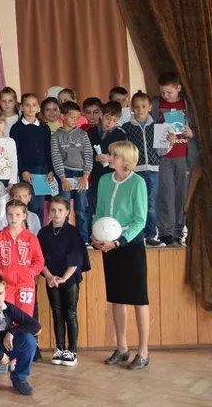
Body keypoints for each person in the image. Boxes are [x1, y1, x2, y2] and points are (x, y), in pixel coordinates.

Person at [93, 141, 151, 370]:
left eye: (114, 155)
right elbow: (99, 211)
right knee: (117, 298)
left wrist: (119, 241)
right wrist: (95, 235)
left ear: (125, 160)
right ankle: (122, 348)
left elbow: (140, 220)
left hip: (130, 246)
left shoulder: (138, 183)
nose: (109, 157)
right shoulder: (104, 180)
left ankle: (143, 352)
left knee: (139, 299)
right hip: (109, 245)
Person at [38, 196, 90, 366]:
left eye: (60, 210)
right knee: (57, 313)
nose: (56, 213)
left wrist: (64, 278)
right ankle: (59, 348)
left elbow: (76, 258)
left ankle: (72, 350)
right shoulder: (43, 233)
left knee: (70, 313)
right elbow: (39, 258)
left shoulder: (73, 232)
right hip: (51, 279)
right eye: (53, 210)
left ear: (67, 212)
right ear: (48, 212)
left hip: (69, 278)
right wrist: (49, 276)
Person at [151, 71, 197, 247]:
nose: (166, 96)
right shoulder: (156, 104)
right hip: (163, 156)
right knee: (166, 194)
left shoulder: (187, 104)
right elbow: (149, 126)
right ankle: (166, 232)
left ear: (178, 88)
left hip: (183, 156)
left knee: (180, 195)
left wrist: (192, 133)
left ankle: (178, 232)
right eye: (162, 92)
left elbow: (197, 126)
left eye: (169, 92)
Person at [122, 92, 166, 246]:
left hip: (153, 170)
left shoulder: (157, 127)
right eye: (136, 107)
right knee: (136, 204)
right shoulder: (126, 128)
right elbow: (125, 151)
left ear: (150, 107)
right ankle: (137, 234)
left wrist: (169, 142)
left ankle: (151, 235)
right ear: (131, 109)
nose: (140, 110)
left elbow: (161, 152)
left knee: (151, 204)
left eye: (143, 106)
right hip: (135, 171)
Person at [0, 200, 44, 317]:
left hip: (25, 285)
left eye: (18, 215)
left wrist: (30, 272)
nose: (14, 218)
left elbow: (39, 261)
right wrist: (0, 272)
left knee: (24, 318)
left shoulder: (31, 238)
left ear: (24, 216)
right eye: (10, 214)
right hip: (4, 285)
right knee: (5, 318)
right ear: (6, 215)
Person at [51, 101, 94, 243]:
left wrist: (85, 176)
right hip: (65, 174)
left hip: (81, 174)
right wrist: (63, 178)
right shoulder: (56, 136)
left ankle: (84, 239)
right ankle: (63, 239)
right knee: (63, 208)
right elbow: (56, 157)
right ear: (62, 116)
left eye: (77, 118)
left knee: (81, 209)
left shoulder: (83, 135)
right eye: (72, 117)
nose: (75, 120)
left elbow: (88, 155)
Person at [9, 93, 54, 223]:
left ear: (38, 108)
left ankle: (38, 233)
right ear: (21, 107)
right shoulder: (16, 128)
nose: (30, 108)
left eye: (34, 105)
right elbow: (15, 152)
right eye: (27, 105)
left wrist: (50, 170)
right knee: (29, 205)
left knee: (40, 205)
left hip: (42, 171)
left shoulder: (44, 128)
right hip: (27, 171)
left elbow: (48, 150)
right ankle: (27, 230)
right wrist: (23, 170)